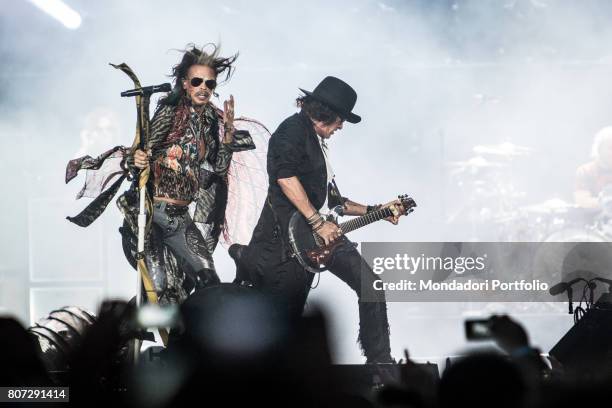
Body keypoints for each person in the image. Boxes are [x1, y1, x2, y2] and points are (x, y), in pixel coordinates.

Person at [231, 76, 402, 363]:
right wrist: (317, 222)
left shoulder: (318, 143)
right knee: (281, 321)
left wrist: (379, 211)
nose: (341, 127)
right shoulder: (291, 131)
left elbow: (334, 201)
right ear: (327, 114)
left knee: (370, 285)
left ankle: (380, 363)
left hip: (319, 234)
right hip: (283, 242)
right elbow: (285, 177)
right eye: (340, 120)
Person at [128, 43, 255, 304]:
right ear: (185, 83)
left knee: (209, 282)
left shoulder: (210, 120)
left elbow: (218, 169)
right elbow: (141, 152)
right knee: (160, 291)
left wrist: (228, 138)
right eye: (197, 81)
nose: (204, 88)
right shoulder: (170, 111)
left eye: (210, 84)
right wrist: (137, 159)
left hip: (181, 219)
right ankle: (124, 334)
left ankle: (192, 338)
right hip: (152, 215)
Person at [575, 126, 612, 208]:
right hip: (593, 219)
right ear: (599, 149)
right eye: (610, 148)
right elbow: (582, 201)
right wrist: (606, 203)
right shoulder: (585, 171)